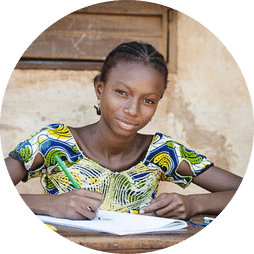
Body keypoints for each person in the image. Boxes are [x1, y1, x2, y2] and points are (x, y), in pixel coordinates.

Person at [4, 41, 242, 221]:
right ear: (100, 89)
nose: (132, 110)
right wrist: (47, 204)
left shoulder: (161, 152)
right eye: (121, 93)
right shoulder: (53, 143)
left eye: (148, 101)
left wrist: (194, 204)